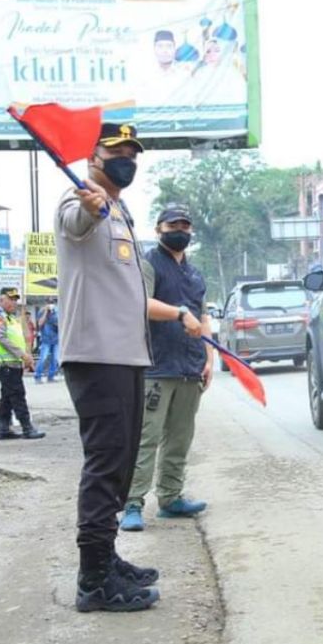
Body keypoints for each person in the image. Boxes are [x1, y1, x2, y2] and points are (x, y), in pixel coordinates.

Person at [56, 121, 205, 613]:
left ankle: (108, 558)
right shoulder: (78, 201)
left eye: (132, 152)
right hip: (95, 354)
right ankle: (93, 581)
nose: (127, 159)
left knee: (120, 466)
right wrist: (89, 205)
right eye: (116, 150)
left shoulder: (120, 210)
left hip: (127, 354)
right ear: (92, 155)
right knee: (104, 467)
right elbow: (77, 222)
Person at [120, 206, 213, 532]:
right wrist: (178, 313)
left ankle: (171, 498)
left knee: (180, 438)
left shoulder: (195, 273)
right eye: (174, 224)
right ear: (159, 229)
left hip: (190, 367)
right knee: (147, 438)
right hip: (157, 368)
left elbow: (202, 318)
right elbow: (140, 304)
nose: (181, 230)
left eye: (186, 225)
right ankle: (132, 503)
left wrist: (209, 359)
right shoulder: (147, 264)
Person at [0, 288, 45, 441]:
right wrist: (23, 355)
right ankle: (27, 427)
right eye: (10, 299)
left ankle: (4, 429)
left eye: (15, 299)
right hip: (5, 364)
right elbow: (2, 339)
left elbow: (19, 338)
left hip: (14, 364)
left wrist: (25, 357)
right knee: (18, 395)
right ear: (1, 300)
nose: (13, 302)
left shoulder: (11, 318)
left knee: (7, 397)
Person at [35, 303, 60, 383]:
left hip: (56, 340)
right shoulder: (42, 312)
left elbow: (59, 324)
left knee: (55, 359)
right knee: (43, 358)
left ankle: (51, 376)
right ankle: (38, 376)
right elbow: (40, 323)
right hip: (46, 340)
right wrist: (46, 311)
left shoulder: (56, 313)